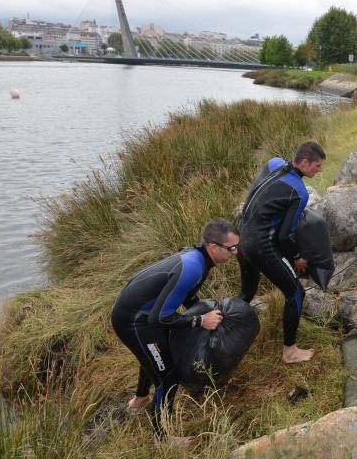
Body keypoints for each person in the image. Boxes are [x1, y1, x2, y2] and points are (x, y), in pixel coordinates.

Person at [110, 218, 240, 422]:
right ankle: (163, 438)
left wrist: (207, 313)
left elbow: (188, 296)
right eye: (232, 248)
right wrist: (200, 320)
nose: (236, 252)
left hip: (141, 314)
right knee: (168, 378)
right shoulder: (193, 267)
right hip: (133, 322)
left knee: (156, 357)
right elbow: (159, 317)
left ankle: (140, 399)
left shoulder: (199, 258)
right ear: (214, 247)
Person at [238, 141, 325, 363]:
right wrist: (297, 257)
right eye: (317, 166)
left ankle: (228, 325)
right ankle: (290, 351)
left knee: (247, 293)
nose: (320, 170)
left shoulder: (274, 163)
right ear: (304, 162)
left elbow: (261, 189)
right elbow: (283, 236)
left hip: (242, 238)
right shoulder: (299, 192)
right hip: (261, 246)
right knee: (296, 293)